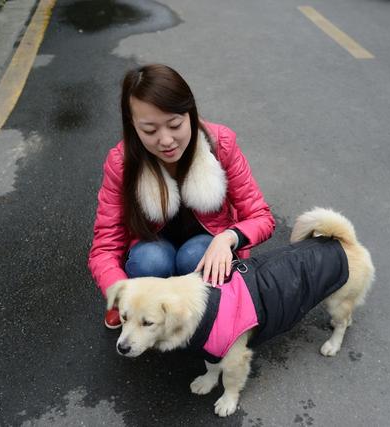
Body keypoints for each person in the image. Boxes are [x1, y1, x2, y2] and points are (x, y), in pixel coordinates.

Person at [88, 64, 275, 329]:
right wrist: (118, 291)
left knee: (195, 254)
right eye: (150, 131)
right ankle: (137, 306)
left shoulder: (220, 143)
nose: (166, 140)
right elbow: (105, 245)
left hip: (205, 250)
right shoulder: (122, 162)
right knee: (150, 259)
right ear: (133, 127)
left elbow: (260, 217)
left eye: (174, 124)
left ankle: (198, 313)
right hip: (153, 251)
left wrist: (228, 238)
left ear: (190, 113)